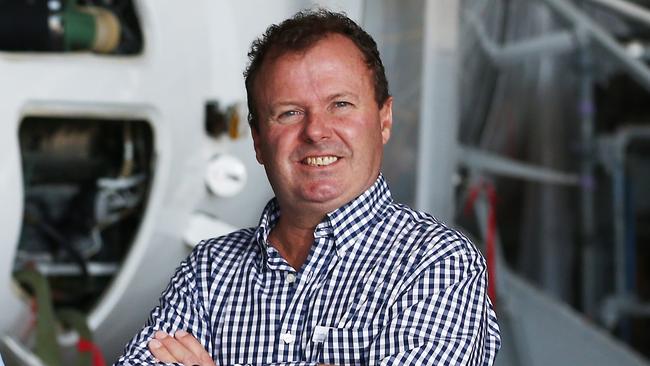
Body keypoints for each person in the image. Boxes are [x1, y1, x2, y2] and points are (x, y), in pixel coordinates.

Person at [115, 9, 500, 366]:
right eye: (290, 113)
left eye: (341, 105)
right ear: (259, 141)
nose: (316, 131)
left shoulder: (435, 263)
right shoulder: (209, 272)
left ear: (384, 120)